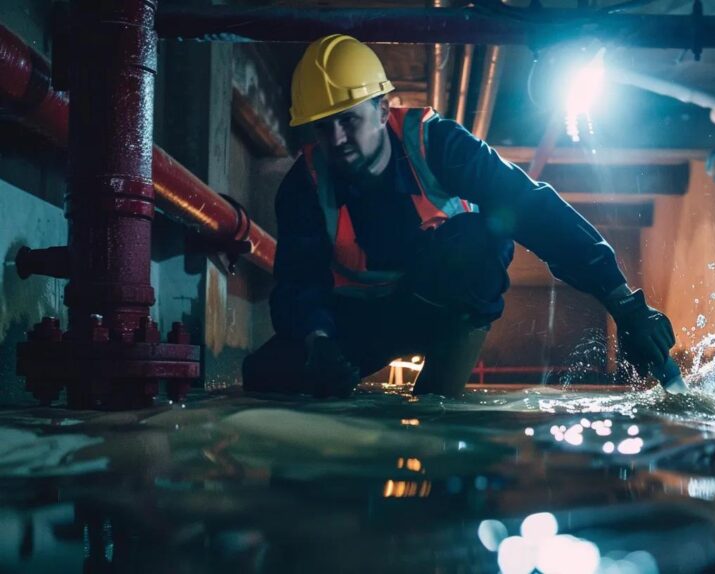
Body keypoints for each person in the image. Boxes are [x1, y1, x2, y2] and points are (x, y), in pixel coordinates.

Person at [242, 35, 675, 397]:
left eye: (347, 120)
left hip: (442, 307)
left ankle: (439, 405)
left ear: (381, 108)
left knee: (481, 238)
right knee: (264, 378)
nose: (336, 139)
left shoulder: (440, 145)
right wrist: (318, 344)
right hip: (359, 321)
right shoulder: (304, 185)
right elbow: (299, 283)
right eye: (323, 126)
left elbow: (533, 207)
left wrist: (622, 303)